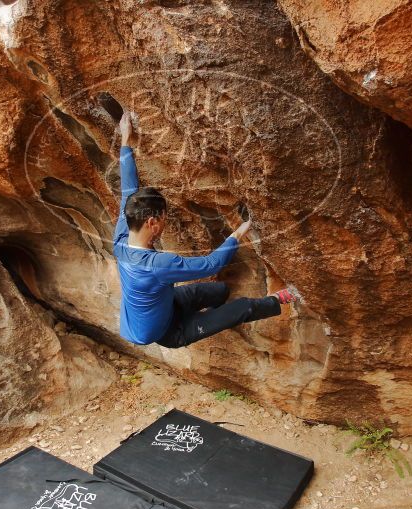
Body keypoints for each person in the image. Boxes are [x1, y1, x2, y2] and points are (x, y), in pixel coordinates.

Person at [112, 111, 297, 348]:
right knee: (242, 308)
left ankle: (210, 314)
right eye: (164, 218)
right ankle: (275, 301)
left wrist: (125, 141)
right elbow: (211, 264)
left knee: (220, 291)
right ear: (151, 223)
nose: (166, 223)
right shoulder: (158, 265)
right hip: (167, 332)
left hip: (164, 304)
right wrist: (241, 230)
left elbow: (129, 192)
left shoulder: (122, 236)